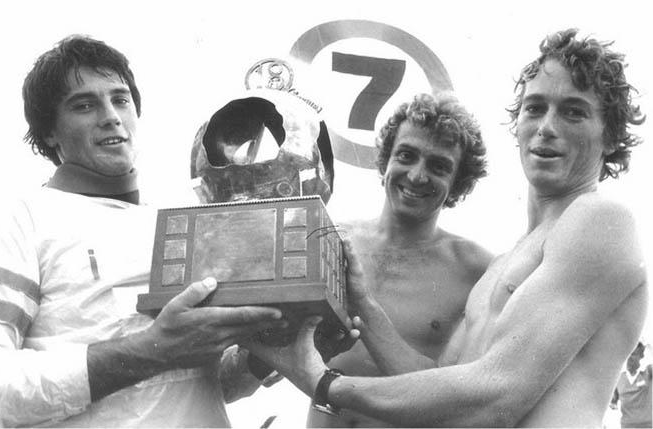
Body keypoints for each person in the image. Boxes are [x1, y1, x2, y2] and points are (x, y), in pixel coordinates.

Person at [248, 28, 648, 427]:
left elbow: (496, 396)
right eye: (535, 107)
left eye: (573, 111)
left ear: (611, 136)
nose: (547, 126)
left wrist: (323, 383)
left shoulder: (600, 219)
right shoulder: (506, 263)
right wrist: (363, 304)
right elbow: (434, 384)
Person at [0, 35, 297, 428]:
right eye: (84, 105)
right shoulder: (21, 221)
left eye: (120, 99)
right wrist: (154, 349)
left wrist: (263, 357)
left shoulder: (185, 217)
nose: (110, 116)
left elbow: (200, 382)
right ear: (49, 132)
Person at [307, 92, 493, 427]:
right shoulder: (331, 239)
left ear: (458, 181)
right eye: (406, 155)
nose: (417, 176)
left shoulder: (477, 270)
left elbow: (464, 403)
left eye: (439, 166)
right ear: (386, 158)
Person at [611, 341, 652, 428]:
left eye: (633, 354)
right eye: (628, 354)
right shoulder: (618, 378)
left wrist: (649, 345)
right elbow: (613, 404)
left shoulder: (648, 372)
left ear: (641, 356)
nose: (629, 357)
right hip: (626, 426)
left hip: (646, 425)